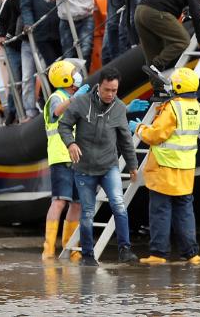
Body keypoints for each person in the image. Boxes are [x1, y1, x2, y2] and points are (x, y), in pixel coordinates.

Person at [57, 67, 146, 266]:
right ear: (99, 86)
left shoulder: (119, 108)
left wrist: (133, 166)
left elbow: (125, 140)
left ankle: (125, 250)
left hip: (108, 166)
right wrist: (70, 143)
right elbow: (63, 125)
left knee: (119, 205)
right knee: (87, 213)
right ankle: (88, 255)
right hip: (84, 168)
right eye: (107, 90)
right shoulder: (81, 102)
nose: (110, 94)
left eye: (114, 90)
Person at [128, 67, 200, 265]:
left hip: (164, 168)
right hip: (186, 169)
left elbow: (155, 135)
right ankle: (191, 254)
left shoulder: (171, 108)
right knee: (184, 212)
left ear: (177, 87)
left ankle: (158, 254)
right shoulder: (198, 108)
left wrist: (138, 128)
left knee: (160, 212)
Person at [42, 60, 88, 262]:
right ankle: (48, 248)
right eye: (73, 72)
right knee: (59, 201)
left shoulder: (73, 98)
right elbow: (55, 113)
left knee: (77, 203)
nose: (77, 75)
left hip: (78, 157)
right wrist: (74, 100)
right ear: (65, 78)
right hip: (61, 156)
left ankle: (70, 248)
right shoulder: (57, 97)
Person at [0, 0, 37, 125]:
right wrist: (2, 35)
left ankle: (35, 105)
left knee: (34, 75)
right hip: (14, 45)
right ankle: (14, 111)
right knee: (17, 80)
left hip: (30, 41)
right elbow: (1, 21)